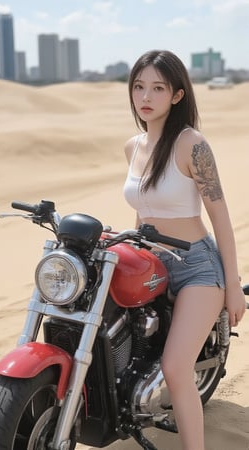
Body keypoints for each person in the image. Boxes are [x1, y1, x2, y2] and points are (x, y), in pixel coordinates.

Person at [123, 50, 246, 450]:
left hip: (196, 268)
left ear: (177, 95)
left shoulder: (192, 144)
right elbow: (144, 212)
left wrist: (233, 285)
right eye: (139, 86)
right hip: (150, 263)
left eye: (158, 88)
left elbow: (220, 218)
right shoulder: (133, 147)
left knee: (176, 369)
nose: (146, 96)